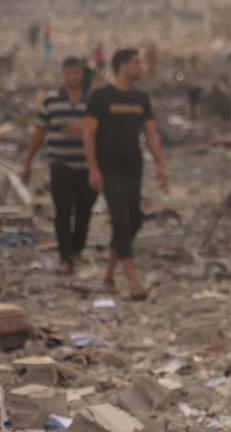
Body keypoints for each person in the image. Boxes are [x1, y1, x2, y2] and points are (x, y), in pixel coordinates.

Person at [83, 48, 169, 300]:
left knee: (133, 221)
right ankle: (133, 281)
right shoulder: (100, 97)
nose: (141, 67)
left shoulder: (140, 99)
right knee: (120, 219)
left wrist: (161, 166)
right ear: (122, 66)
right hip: (108, 169)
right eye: (136, 63)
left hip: (133, 168)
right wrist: (92, 169)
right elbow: (88, 134)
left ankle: (109, 273)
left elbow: (151, 135)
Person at [20, 57, 96, 274]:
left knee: (84, 211)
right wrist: (28, 163)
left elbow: (101, 131)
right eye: (69, 73)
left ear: (82, 74)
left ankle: (77, 248)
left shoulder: (93, 101)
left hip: (86, 166)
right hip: (60, 164)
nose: (73, 77)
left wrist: (83, 130)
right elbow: (38, 134)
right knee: (62, 212)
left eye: (77, 73)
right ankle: (65, 258)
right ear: (63, 74)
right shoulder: (51, 101)